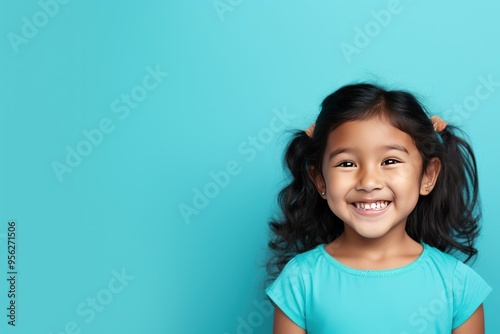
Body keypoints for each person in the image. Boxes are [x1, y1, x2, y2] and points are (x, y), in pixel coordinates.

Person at [265, 83, 492, 333]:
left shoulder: (457, 286)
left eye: (390, 161)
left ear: (427, 176)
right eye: (347, 163)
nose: (368, 182)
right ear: (320, 180)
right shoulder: (300, 281)